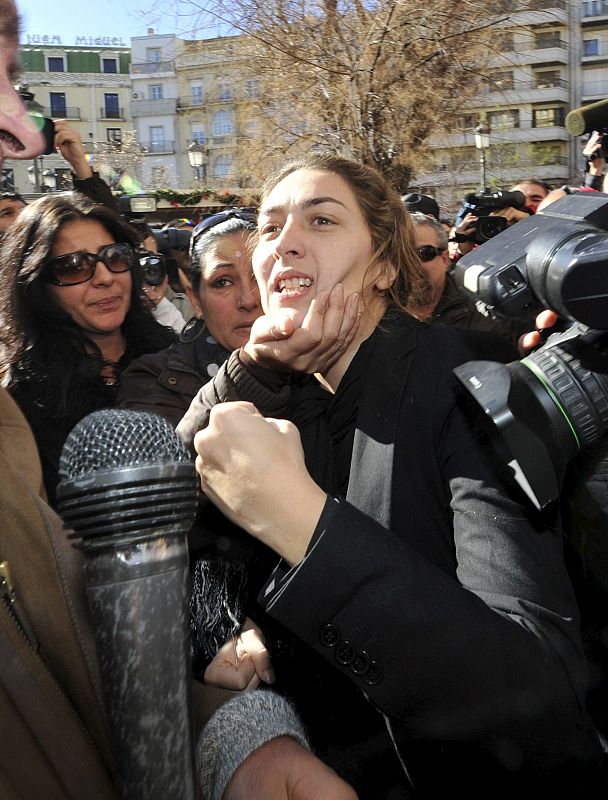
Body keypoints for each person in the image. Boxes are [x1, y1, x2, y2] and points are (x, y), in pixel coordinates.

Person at [179, 153, 606, 798]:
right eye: (268, 228)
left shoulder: (468, 386)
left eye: (321, 220)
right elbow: (161, 530)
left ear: (383, 265)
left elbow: (536, 698)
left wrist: (305, 527)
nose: (283, 242)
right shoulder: (271, 391)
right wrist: (252, 371)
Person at [0, 193, 176, 505]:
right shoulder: (19, 400)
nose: (105, 278)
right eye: (73, 266)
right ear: (37, 285)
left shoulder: (174, 357)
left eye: (115, 257)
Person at [118, 208, 262, 428]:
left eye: (260, 276)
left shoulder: (313, 365)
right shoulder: (151, 380)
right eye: (223, 282)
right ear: (195, 301)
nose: (248, 300)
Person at [407, 211, 522, 345]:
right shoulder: (385, 321)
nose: (409, 264)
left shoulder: (489, 310)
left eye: (423, 253)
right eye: (397, 256)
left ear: (445, 259)